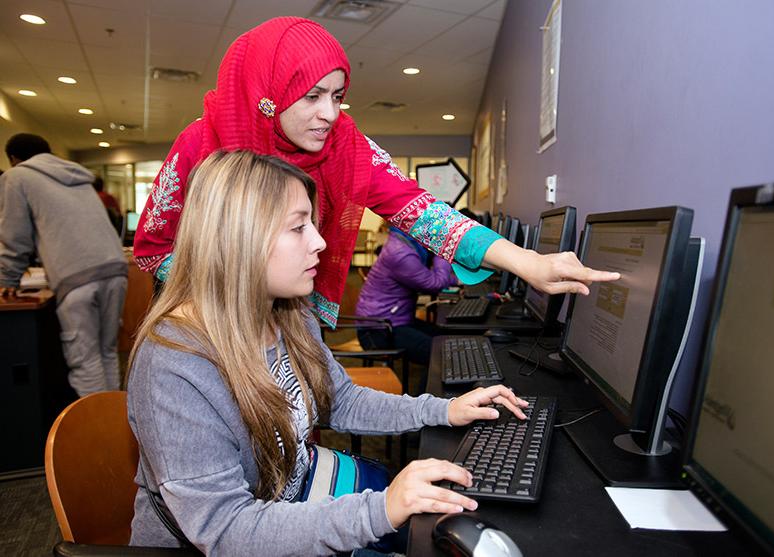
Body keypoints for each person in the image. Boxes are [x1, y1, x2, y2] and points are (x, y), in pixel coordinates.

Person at [126, 150, 529, 555]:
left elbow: (341, 400)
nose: (320, 242)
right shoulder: (174, 364)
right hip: (229, 540)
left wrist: (443, 410)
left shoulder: (288, 311)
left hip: (292, 494)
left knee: (435, 522)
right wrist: (380, 511)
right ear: (238, 237)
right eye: (298, 227)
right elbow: (225, 529)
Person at [133, 17, 619, 329]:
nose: (329, 113)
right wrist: (235, 282)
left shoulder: (346, 143)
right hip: (207, 324)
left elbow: (423, 213)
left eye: (338, 96)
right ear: (267, 94)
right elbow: (155, 248)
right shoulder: (202, 143)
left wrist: (528, 262)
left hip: (289, 321)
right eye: (312, 96)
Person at [0, 133, 128, 395]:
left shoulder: (17, 177)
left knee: (86, 361)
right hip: (116, 269)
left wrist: (6, 282)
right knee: (107, 352)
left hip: (76, 276)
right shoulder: (79, 178)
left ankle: (94, 433)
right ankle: (113, 425)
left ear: (14, 159)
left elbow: (15, 238)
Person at [355, 226, 455, 368]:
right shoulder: (401, 253)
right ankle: (427, 391)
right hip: (378, 330)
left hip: (393, 319)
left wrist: (455, 281)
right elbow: (434, 283)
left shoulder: (402, 242)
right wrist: (442, 250)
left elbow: (424, 277)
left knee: (445, 337)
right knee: (439, 352)